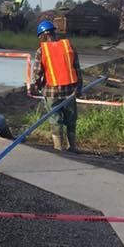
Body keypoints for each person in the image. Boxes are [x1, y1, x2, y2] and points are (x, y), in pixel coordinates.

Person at [30, 19, 82, 152]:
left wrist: (34, 85)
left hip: (51, 91)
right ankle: (72, 147)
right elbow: (77, 69)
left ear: (42, 35)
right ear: (54, 33)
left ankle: (59, 148)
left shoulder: (42, 50)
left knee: (55, 119)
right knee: (71, 120)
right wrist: (79, 88)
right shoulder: (68, 46)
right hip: (70, 90)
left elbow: (37, 72)